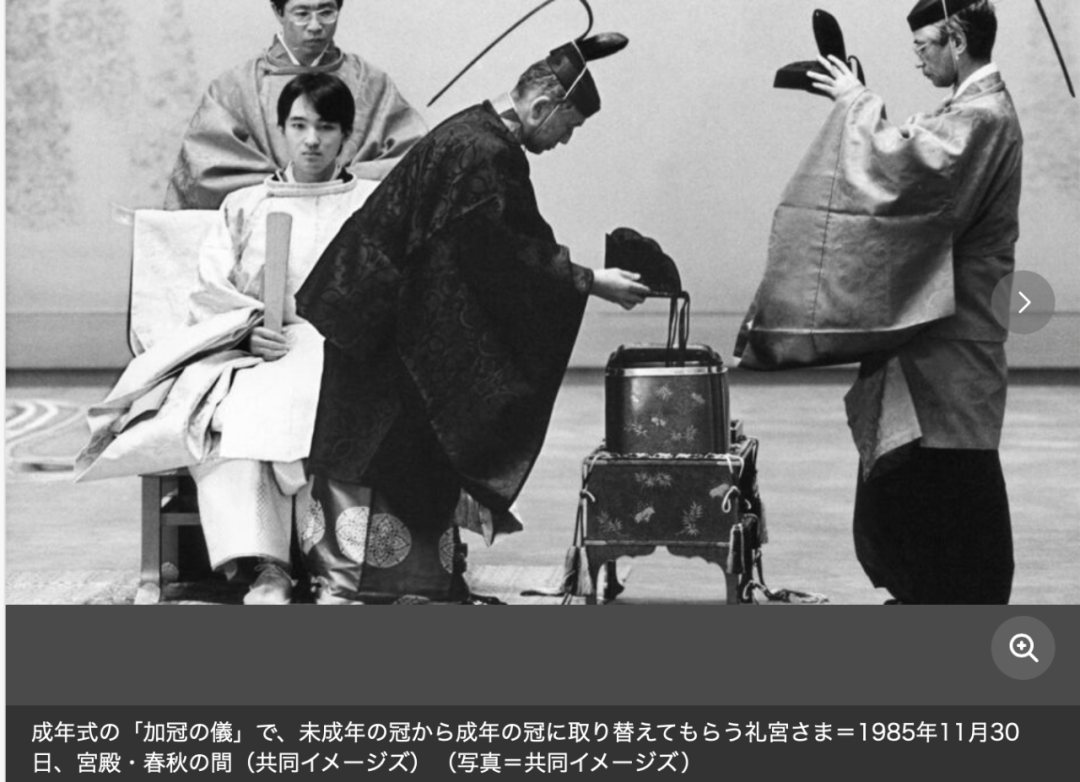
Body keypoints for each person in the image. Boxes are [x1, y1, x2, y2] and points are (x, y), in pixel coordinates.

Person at [293, 34, 650, 604]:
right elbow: (504, 254)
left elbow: (490, 247)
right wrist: (589, 281)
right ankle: (364, 584)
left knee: (391, 446)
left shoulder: (472, 131)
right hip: (388, 334)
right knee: (390, 445)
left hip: (379, 320)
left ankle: (391, 581)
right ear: (541, 107)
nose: (565, 140)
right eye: (569, 127)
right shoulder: (484, 151)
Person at [78, 73, 379, 604]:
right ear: (281, 131)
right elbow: (211, 290)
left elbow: (393, 286)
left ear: (346, 135)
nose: (312, 140)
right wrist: (248, 332)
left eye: (326, 127)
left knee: (344, 406)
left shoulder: (374, 204)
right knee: (229, 418)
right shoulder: (245, 205)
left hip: (348, 351)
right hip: (263, 349)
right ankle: (268, 566)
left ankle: (337, 567)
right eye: (299, 125)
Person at [804, 0, 1021, 603]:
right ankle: (927, 597)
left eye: (924, 45)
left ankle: (952, 607)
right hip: (936, 316)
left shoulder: (983, 115)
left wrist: (857, 104)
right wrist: (863, 107)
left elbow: (914, 176)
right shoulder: (972, 112)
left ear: (958, 40)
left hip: (952, 323)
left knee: (950, 469)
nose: (919, 58)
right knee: (922, 468)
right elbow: (919, 158)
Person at [164, 0, 426, 210]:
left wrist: (340, 180)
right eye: (302, 13)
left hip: (352, 219)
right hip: (263, 219)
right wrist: (288, 182)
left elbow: (413, 160)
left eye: (326, 12)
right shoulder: (233, 87)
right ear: (278, 11)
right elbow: (204, 172)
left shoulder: (372, 83)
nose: (315, 26)